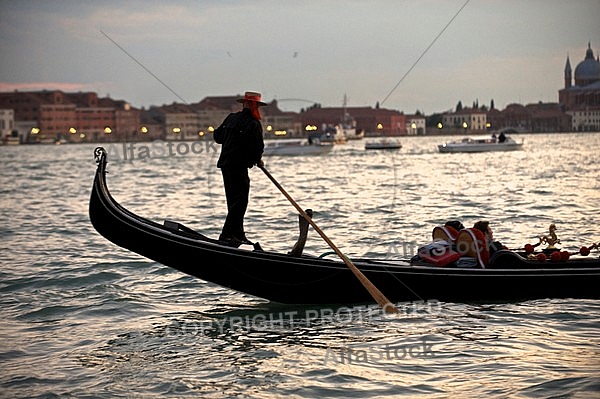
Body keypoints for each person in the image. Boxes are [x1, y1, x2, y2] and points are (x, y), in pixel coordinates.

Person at [213, 91, 266, 247]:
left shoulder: (231, 118)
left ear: (244, 104)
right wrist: (258, 160)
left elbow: (218, 137)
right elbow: (257, 147)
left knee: (233, 201)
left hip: (225, 165)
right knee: (240, 201)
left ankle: (238, 234)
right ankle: (226, 235)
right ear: (255, 106)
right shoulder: (254, 123)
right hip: (238, 166)